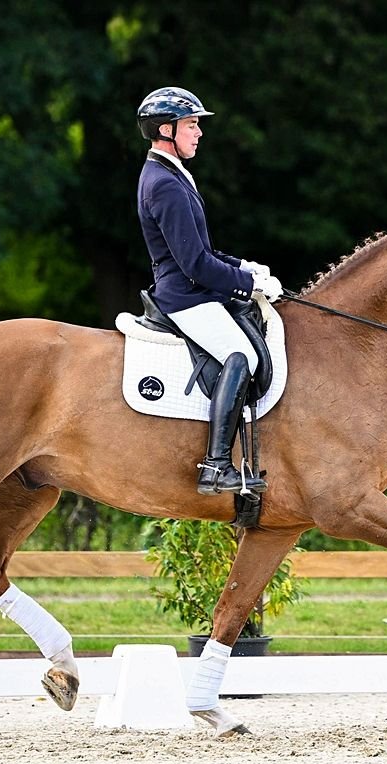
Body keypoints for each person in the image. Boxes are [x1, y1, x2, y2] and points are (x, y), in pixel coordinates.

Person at [136, 86, 282, 496]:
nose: (199, 132)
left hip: (192, 287)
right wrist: (248, 284)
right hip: (185, 295)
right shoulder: (163, 183)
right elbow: (194, 265)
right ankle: (216, 466)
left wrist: (242, 266)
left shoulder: (170, 174)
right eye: (192, 124)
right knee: (244, 354)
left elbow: (203, 250)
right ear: (167, 129)